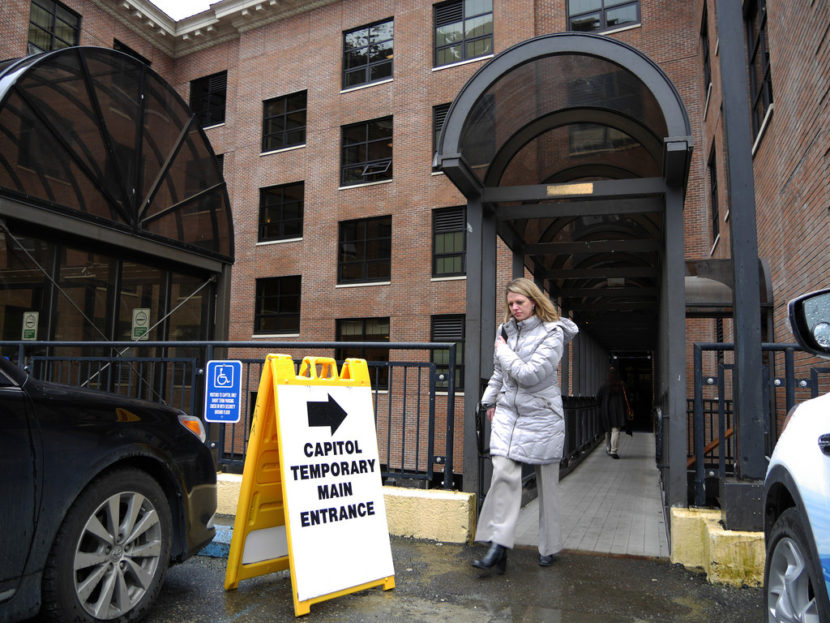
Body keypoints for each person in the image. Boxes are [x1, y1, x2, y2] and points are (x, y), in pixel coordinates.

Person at [472, 277, 578, 574]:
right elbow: (499, 373)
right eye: (510, 304)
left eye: (519, 302)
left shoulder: (552, 333)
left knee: (547, 485)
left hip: (542, 416)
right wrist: (488, 402)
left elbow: (530, 374)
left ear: (534, 301)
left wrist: (503, 350)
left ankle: (549, 546)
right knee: (503, 474)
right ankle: (499, 545)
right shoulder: (505, 331)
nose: (514, 308)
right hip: (508, 413)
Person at [597, 366, 629, 459]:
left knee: (608, 430)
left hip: (606, 411)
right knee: (616, 430)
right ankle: (613, 451)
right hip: (619, 411)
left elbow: (598, 398)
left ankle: (608, 448)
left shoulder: (604, 385)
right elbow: (627, 397)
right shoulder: (622, 385)